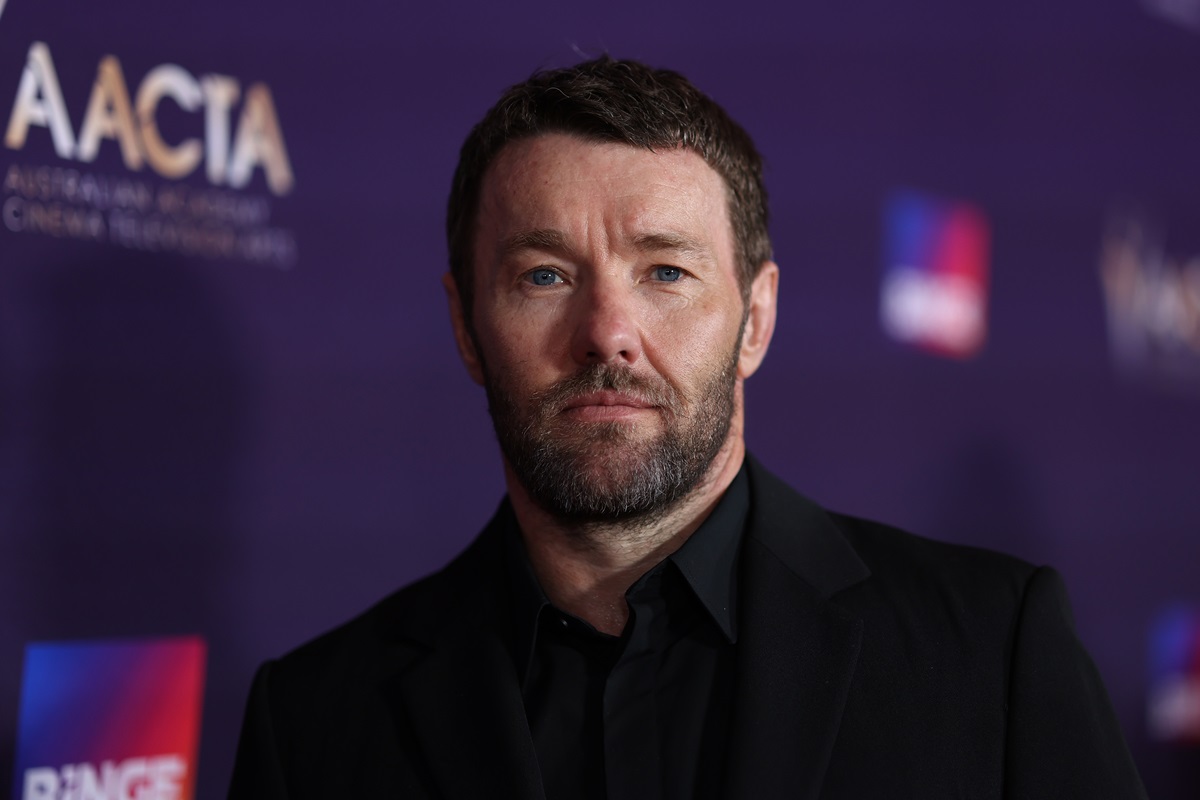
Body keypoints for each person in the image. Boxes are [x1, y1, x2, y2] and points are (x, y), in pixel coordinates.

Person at [229, 57, 1146, 799]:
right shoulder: (313, 721)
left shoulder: (989, 653)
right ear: (467, 325)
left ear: (755, 320)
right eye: (544, 275)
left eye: (665, 272)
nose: (608, 334)